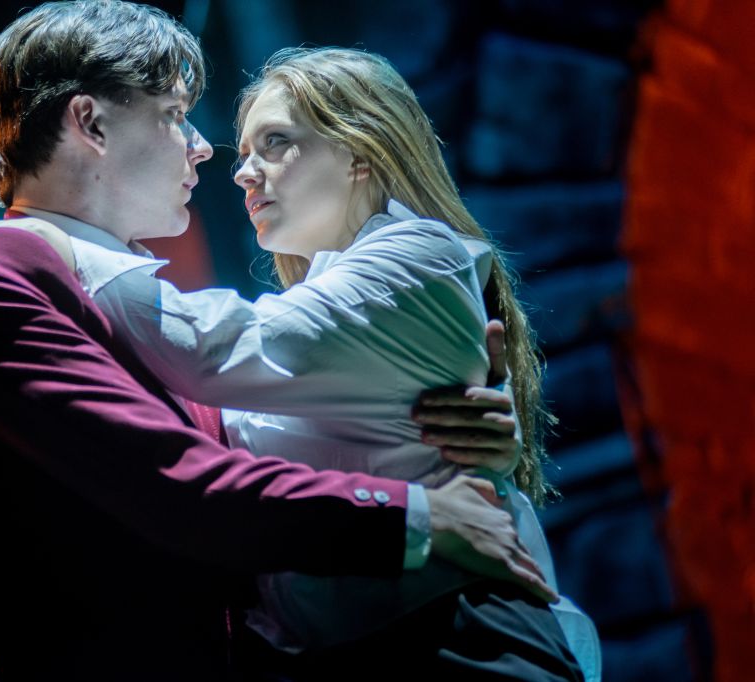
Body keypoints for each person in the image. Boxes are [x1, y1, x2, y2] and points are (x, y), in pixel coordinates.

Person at [0, 3, 552, 680]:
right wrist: (420, 514)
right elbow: (175, 481)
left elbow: (256, 445)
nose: (205, 148)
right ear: (91, 123)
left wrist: (436, 421)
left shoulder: (135, 303)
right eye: (174, 114)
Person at [62, 46, 598, 680]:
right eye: (246, 151)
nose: (243, 173)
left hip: (461, 638)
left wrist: (64, 238)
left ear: (360, 151)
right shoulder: (329, 302)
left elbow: (215, 348)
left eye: (275, 142)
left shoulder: (419, 253)